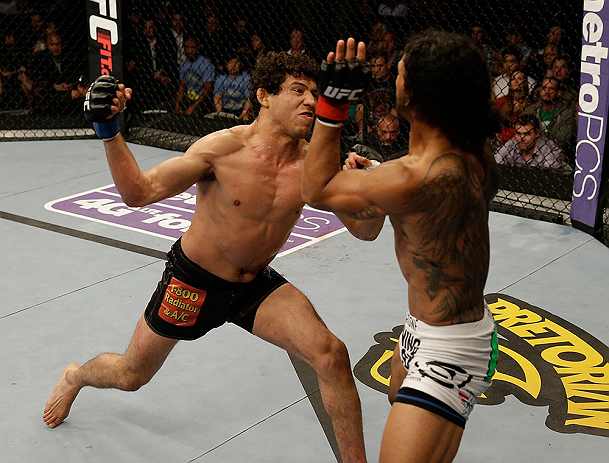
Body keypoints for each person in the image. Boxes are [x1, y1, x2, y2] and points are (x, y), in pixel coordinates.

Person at [43, 51, 369, 463]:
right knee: (131, 375)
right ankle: (77, 375)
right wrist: (110, 130)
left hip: (255, 285)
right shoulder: (223, 149)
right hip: (193, 282)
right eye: (298, 91)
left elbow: (366, 231)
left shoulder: (315, 164)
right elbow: (138, 193)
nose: (311, 101)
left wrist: (366, 190)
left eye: (316, 93)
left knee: (332, 355)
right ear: (264, 96)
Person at [302, 32, 500, 463]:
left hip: (453, 349)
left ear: (416, 96)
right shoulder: (473, 155)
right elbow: (406, 212)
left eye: (399, 72)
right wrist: (379, 178)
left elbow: (315, 189)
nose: (392, 78)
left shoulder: (412, 178)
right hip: (424, 327)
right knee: (397, 394)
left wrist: (333, 104)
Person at [524, 76, 577, 163]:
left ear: (559, 92)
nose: (547, 92)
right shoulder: (530, 111)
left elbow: (563, 140)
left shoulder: (566, 114)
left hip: (556, 155)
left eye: (551, 88)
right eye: (544, 88)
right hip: (532, 153)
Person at [495, 114, 563, 169]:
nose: (522, 138)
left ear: (537, 134)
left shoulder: (548, 148)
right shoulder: (511, 144)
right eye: (518, 133)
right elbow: (496, 164)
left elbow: (551, 178)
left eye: (527, 134)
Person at [173, 36, 215, 116]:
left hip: (201, 101)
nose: (189, 50)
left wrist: (191, 108)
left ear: (198, 47)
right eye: (187, 47)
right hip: (188, 98)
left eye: (192, 47)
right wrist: (177, 105)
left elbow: (207, 91)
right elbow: (182, 87)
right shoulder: (184, 64)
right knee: (164, 107)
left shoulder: (206, 64)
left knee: (194, 114)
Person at [495, 70, 533, 143]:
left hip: (521, 140)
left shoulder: (531, 105)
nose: (516, 81)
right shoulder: (501, 101)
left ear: (525, 83)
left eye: (519, 79)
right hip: (501, 139)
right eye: (513, 79)